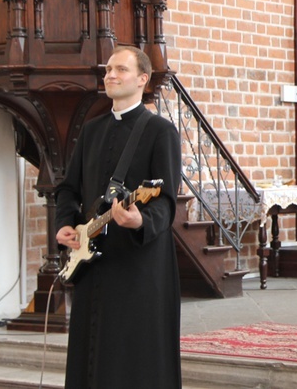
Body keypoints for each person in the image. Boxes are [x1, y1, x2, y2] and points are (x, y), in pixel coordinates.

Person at [55, 46, 182, 388]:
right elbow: (68, 189)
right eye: (108, 69)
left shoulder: (160, 132)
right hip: (92, 262)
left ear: (143, 79)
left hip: (137, 263)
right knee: (91, 352)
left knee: (132, 354)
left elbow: (166, 199)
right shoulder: (91, 131)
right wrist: (65, 224)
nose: (110, 75)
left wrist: (142, 221)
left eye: (120, 69)